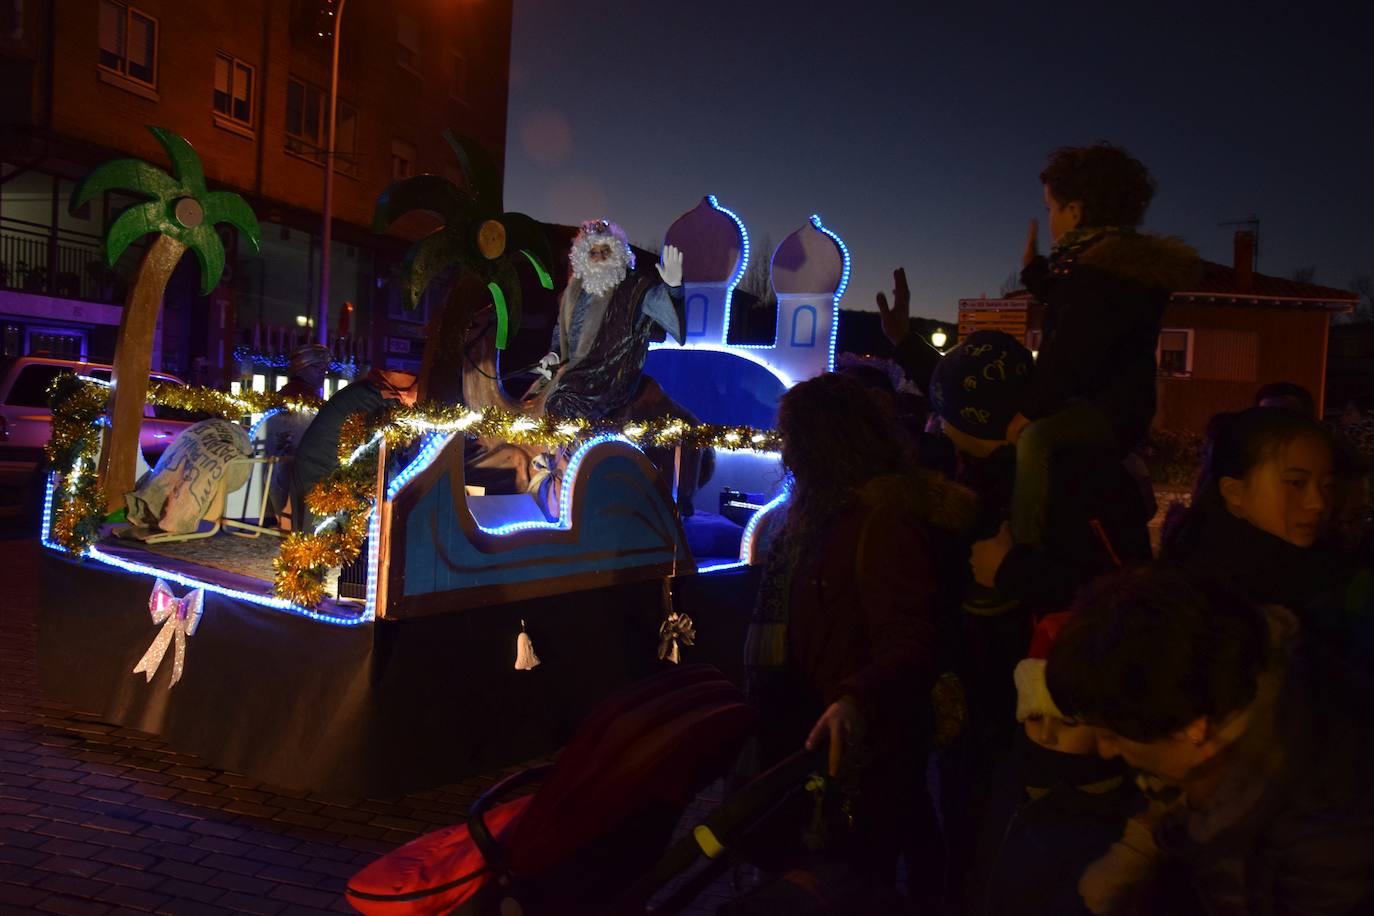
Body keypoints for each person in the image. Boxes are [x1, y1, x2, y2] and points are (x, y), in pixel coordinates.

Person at [743, 371, 975, 904]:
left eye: (793, 439)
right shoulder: (821, 515)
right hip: (819, 733)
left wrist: (856, 698)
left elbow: (910, 633)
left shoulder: (882, 524)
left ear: (825, 444)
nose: (786, 454)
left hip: (859, 748)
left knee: (850, 875)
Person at [1045, 565, 1374, 915]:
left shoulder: (1328, 847)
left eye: (1112, 735)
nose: (1105, 750)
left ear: (1192, 728)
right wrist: (1139, 849)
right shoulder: (1254, 680)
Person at [1006, 143, 1200, 549]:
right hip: (1106, 401)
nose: (1050, 219)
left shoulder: (1105, 274)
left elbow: (1075, 349)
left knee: (1034, 439)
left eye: (1051, 208)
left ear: (1074, 212)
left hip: (1111, 408)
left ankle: (1024, 543)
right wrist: (1033, 272)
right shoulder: (1105, 266)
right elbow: (1069, 302)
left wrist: (1028, 410)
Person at [1161, 406, 1374, 668]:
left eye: (1326, 485)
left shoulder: (1326, 578)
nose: (1318, 502)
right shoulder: (1200, 600)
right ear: (1234, 491)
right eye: (1296, 482)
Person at [971, 611, 1142, 916]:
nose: (1046, 736)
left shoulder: (1123, 823)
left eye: (1068, 722)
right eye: (1034, 718)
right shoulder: (1012, 779)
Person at [531, 219, 685, 420]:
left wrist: (673, 288)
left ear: (618, 254)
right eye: (593, 253)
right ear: (583, 257)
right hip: (571, 374)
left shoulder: (634, 287)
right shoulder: (573, 292)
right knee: (534, 393)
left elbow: (660, 303)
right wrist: (553, 355)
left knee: (561, 401)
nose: (599, 257)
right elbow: (561, 333)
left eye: (606, 251)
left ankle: (565, 449)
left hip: (609, 377)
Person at [290, 369, 419, 532]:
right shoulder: (379, 401)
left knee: (314, 536)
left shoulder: (374, 391)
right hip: (323, 469)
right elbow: (383, 457)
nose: (417, 410)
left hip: (316, 463)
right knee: (322, 540)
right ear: (407, 393)